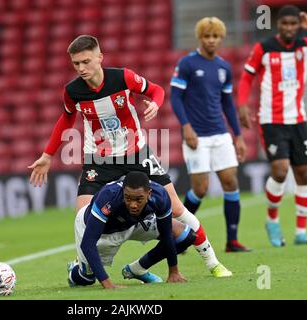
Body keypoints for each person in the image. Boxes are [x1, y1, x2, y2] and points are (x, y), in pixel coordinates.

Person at [29, 35, 231, 275]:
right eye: (76, 64)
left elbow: (155, 90)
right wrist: (48, 155)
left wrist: (155, 103)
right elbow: (66, 119)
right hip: (98, 160)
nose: (81, 68)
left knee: (176, 208)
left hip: (136, 153)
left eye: (85, 62)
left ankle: (212, 262)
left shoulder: (123, 77)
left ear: (99, 58)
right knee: (82, 218)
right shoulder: (72, 91)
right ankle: (85, 267)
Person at [237, 6, 307, 246]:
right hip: (271, 120)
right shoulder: (263, 48)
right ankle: (272, 220)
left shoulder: (305, 45)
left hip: (298, 120)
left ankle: (301, 233)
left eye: (294, 24)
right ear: (278, 24)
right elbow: (246, 77)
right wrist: (242, 104)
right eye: (285, 24)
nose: (289, 28)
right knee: (281, 170)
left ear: (298, 25)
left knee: (303, 173)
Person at [170, 17, 251, 252]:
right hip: (197, 136)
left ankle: (232, 241)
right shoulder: (186, 64)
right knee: (201, 188)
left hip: (220, 134)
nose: (212, 40)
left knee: (230, 181)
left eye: (215, 36)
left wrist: (237, 135)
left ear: (221, 38)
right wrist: (185, 126)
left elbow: (227, 104)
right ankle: (181, 235)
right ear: (200, 37)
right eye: (207, 36)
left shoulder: (224, 67)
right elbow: (175, 97)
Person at [68, 171, 223, 289]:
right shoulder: (109, 196)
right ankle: (74, 268)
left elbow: (166, 233)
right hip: (102, 232)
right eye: (128, 198)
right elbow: (88, 243)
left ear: (149, 194)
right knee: (87, 279)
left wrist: (173, 271)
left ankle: (137, 269)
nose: (133, 204)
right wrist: (108, 284)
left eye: (138, 199)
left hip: (135, 223)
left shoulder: (160, 196)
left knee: (185, 235)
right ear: (123, 193)